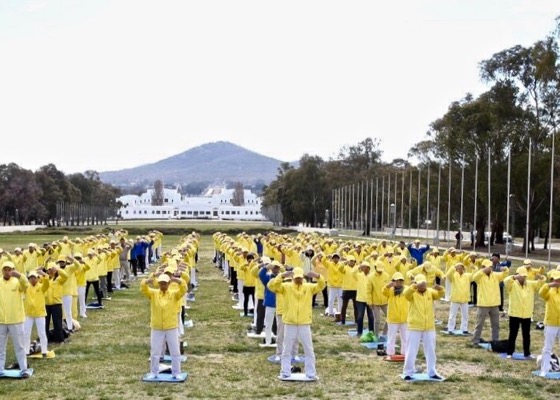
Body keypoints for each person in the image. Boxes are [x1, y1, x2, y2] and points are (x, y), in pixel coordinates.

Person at [268, 267, 326, 381]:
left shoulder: (309, 287)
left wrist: (318, 276)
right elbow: (272, 286)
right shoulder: (286, 287)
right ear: (292, 278)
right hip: (290, 322)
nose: (298, 280)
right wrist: (282, 276)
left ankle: (310, 373)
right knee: (287, 349)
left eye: (300, 278)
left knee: (309, 349)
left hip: (304, 323)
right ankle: (285, 371)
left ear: (303, 277)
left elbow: (322, 285)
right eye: (296, 278)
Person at [141, 273, 187, 380]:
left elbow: (184, 288)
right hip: (157, 327)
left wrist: (177, 280)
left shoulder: (174, 294)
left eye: (165, 283)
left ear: (169, 283)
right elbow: (143, 288)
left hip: (171, 327)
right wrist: (148, 281)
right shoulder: (153, 294)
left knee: (175, 351)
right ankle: (154, 372)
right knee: (155, 351)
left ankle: (176, 372)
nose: (163, 285)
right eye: (161, 283)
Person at [402, 274, 445, 381]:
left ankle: (432, 371)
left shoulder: (430, 292)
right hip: (414, 326)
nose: (423, 285)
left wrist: (440, 289)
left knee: (431, 350)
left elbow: (439, 295)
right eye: (420, 283)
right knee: (411, 350)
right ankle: (408, 372)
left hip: (429, 326)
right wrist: (414, 286)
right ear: (416, 283)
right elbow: (405, 294)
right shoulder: (411, 293)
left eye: (424, 283)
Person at [504, 266, 544, 359]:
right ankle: (510, 352)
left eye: (525, 276)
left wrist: (542, 277)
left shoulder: (530, 284)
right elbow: (506, 280)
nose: (523, 278)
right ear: (517, 275)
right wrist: (514, 277)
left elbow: (540, 283)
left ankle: (527, 353)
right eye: (521, 276)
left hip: (526, 314)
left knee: (526, 335)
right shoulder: (512, 284)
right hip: (515, 313)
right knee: (513, 334)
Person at [0, 261, 31, 378]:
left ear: (13, 270)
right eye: (5, 269)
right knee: (0, 347)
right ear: (2, 270)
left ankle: (24, 369)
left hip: (16, 319)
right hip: (1, 320)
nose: (7, 272)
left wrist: (20, 276)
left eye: (10, 269)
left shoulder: (18, 282)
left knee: (19, 346)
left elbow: (26, 285)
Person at [471, 259, 509, 345]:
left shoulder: (495, 275)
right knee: (479, 324)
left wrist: (505, 269)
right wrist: (483, 271)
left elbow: (504, 275)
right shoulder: (480, 276)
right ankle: (475, 340)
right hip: (483, 304)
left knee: (495, 325)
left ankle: (495, 340)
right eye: (488, 267)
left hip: (494, 304)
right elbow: (474, 277)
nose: (490, 269)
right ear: (483, 267)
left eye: (491, 267)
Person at [382, 272, 409, 358]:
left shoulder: (406, 290)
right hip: (393, 318)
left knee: (405, 337)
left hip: (404, 318)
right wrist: (387, 286)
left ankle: (405, 353)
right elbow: (383, 292)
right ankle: (390, 353)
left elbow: (412, 290)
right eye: (397, 281)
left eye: (401, 281)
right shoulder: (390, 290)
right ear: (393, 281)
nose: (399, 283)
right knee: (391, 337)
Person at [23, 269, 50, 357]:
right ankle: (26, 351)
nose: (33, 279)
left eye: (34, 277)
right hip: (28, 314)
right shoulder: (26, 288)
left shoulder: (42, 287)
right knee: (26, 333)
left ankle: (44, 351)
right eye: (31, 278)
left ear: (38, 278)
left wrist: (43, 274)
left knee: (42, 333)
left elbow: (47, 282)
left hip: (40, 313)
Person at [539, 270, 560, 376]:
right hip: (551, 323)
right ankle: (544, 369)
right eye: (555, 279)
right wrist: (548, 285)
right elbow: (541, 293)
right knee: (547, 347)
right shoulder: (549, 291)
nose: (557, 281)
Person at [446, 263, 473, 334]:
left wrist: (474, 268)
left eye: (461, 268)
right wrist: (453, 267)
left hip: (465, 298)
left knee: (465, 315)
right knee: (452, 315)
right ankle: (450, 329)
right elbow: (448, 275)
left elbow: (474, 276)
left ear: (464, 269)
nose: (460, 269)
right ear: (456, 269)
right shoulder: (454, 276)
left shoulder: (467, 276)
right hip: (455, 298)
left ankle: (464, 329)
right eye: (458, 268)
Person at [365, 261, 390, 339]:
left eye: (381, 270)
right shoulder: (371, 277)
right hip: (375, 302)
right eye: (378, 269)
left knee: (389, 317)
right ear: (375, 268)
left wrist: (389, 299)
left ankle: (384, 334)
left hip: (385, 301)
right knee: (377, 319)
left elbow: (389, 289)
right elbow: (368, 291)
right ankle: (376, 335)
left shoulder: (386, 276)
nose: (379, 271)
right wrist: (369, 302)